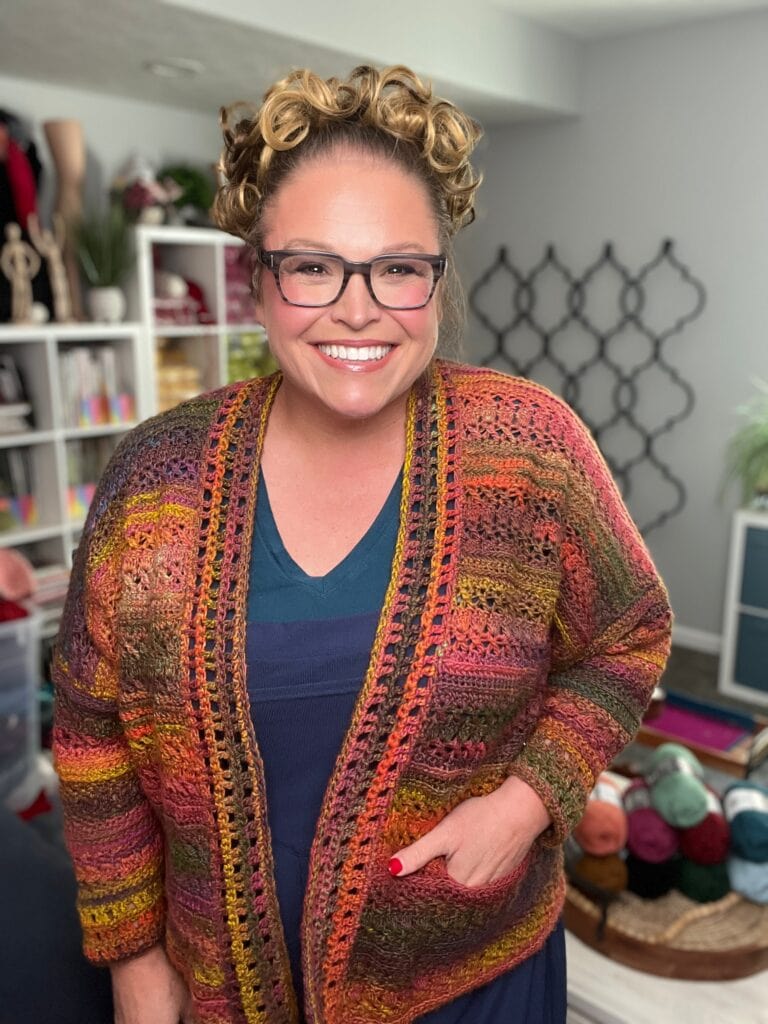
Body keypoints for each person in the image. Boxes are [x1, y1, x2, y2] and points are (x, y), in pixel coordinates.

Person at [52, 65, 672, 1024]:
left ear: (436, 279)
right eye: (313, 266)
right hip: (217, 995)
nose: (356, 307)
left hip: (474, 978)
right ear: (259, 281)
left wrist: (527, 801)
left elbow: (629, 637)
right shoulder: (153, 480)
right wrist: (135, 965)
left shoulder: (533, 449)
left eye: (396, 267)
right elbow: (93, 737)